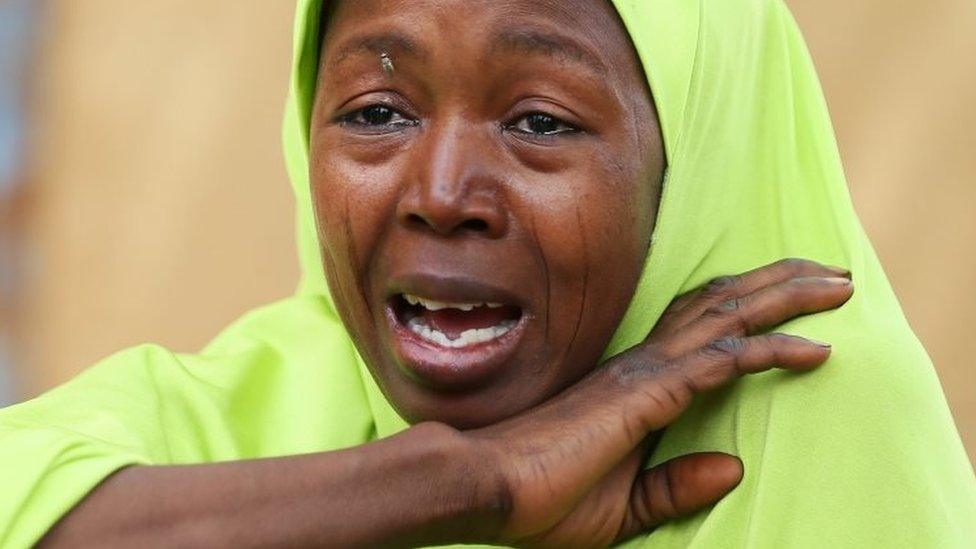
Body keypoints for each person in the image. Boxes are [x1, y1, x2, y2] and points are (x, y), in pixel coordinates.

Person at [2, 0, 973, 547]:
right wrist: (456, 483)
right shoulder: (261, 398)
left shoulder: (799, 398)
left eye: (540, 121)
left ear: (692, 162)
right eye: (377, 111)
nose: (439, 191)